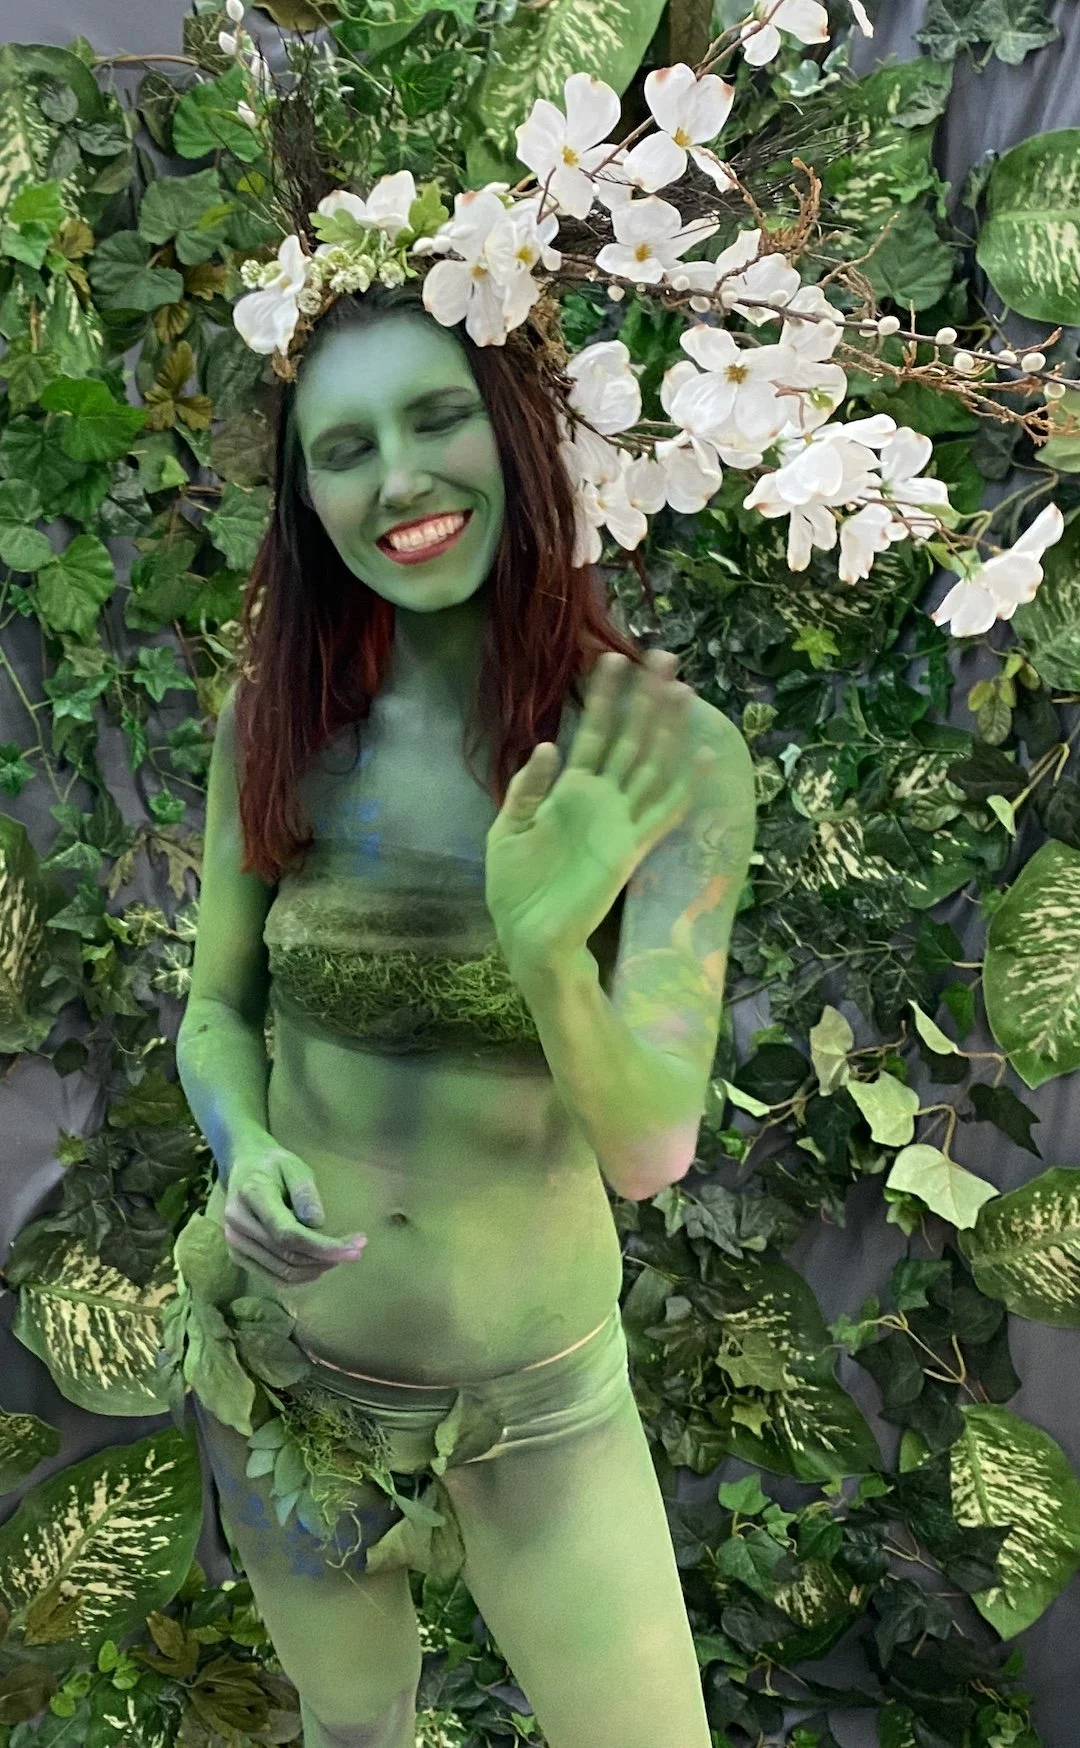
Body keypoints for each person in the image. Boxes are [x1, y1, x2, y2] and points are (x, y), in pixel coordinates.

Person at [173, 275, 756, 1748]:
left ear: (516, 429)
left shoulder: (660, 757)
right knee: (352, 1726)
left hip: (539, 1413)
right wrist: (242, 1145)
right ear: (305, 494)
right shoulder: (278, 727)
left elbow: (650, 1154)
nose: (399, 480)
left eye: (437, 418)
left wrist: (549, 953)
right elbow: (215, 1013)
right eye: (345, 448)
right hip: (288, 1384)